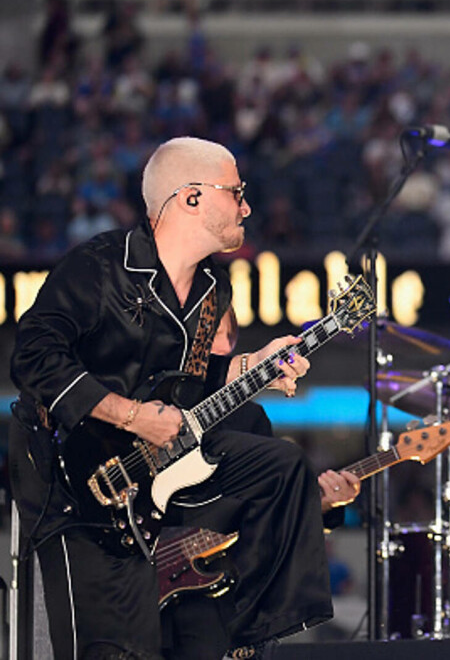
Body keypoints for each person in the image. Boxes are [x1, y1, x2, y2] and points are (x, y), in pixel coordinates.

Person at [8, 136, 334, 658]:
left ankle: (255, 628)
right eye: (236, 191)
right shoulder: (97, 267)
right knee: (114, 648)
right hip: (68, 478)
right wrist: (132, 416)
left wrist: (252, 369)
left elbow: (191, 385)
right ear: (191, 197)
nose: (246, 206)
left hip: (149, 473)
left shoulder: (213, 288)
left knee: (281, 464)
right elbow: (32, 358)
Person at [160, 306, 362, 659]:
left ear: (234, 345)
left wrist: (325, 506)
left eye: (217, 337)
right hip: (146, 570)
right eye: (199, 339)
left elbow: (267, 513)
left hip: (215, 587)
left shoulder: (249, 418)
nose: (209, 348)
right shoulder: (158, 406)